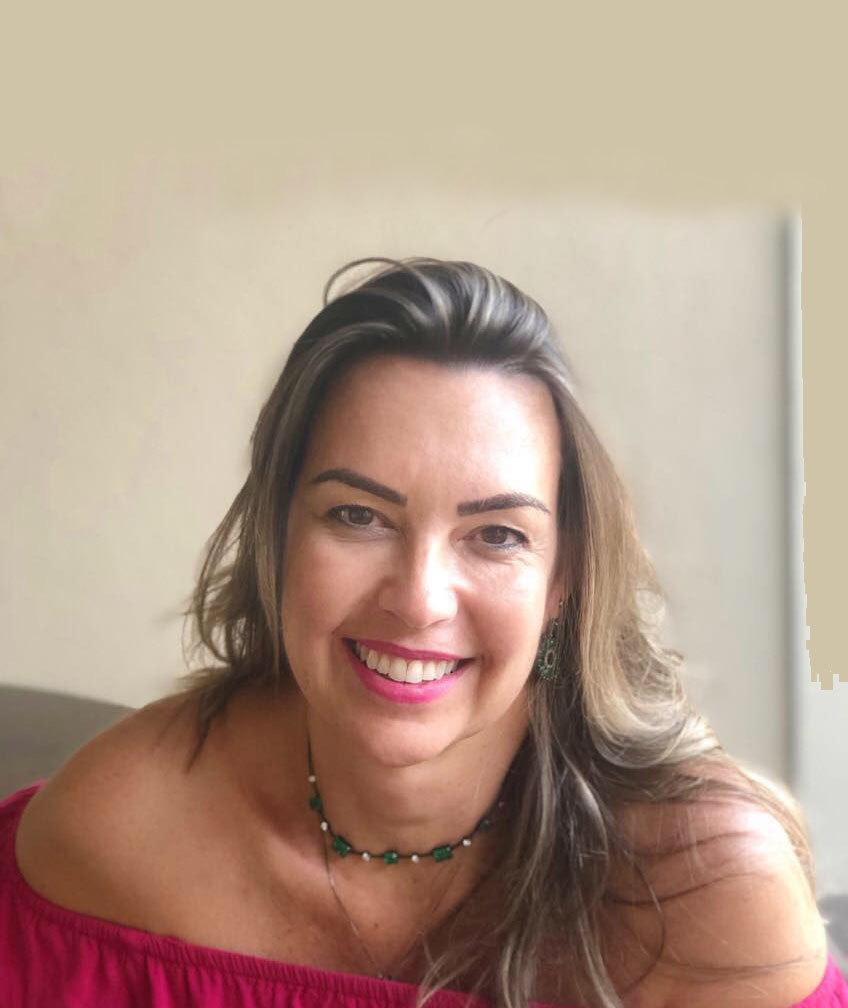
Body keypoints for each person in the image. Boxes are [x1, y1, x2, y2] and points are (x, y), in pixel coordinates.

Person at [1, 257, 845, 1008]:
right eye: (357, 516)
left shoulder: (706, 890)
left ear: (563, 580)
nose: (418, 600)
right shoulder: (114, 836)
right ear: (277, 538)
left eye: (497, 534)